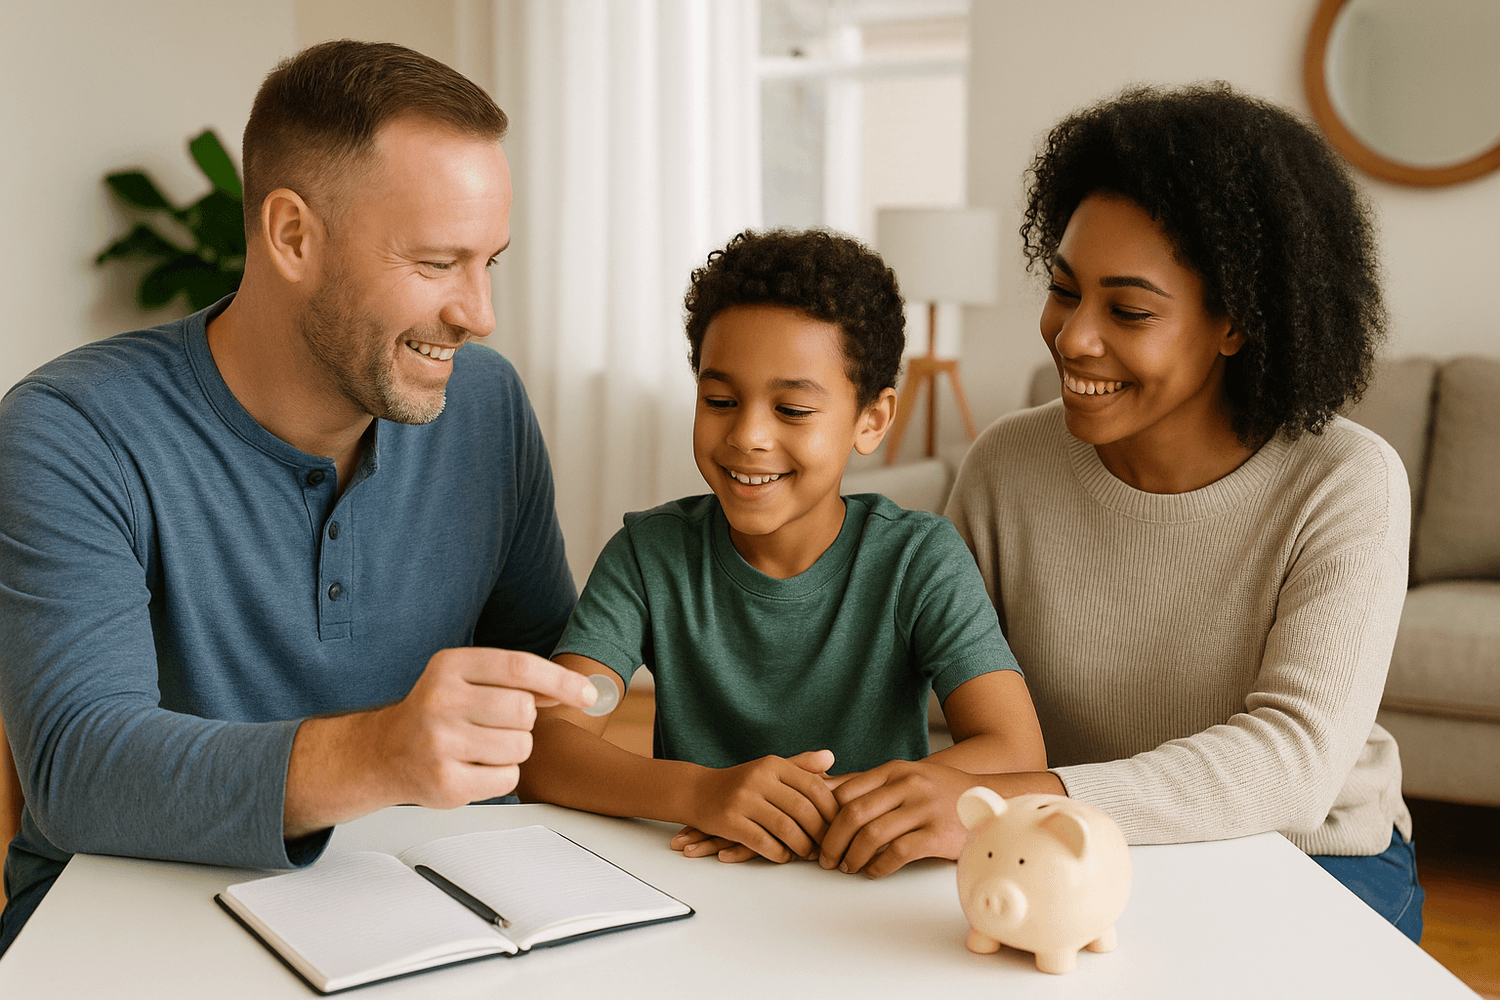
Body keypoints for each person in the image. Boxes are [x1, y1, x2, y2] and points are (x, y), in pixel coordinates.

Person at [0, 40, 598, 953]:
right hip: (123, 929)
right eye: (437, 264)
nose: (477, 313)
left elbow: (549, 687)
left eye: (491, 263)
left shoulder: (487, 405)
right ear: (291, 236)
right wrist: (380, 752)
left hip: (420, 920)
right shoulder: (70, 428)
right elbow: (79, 770)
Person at [820, 83, 1423, 940]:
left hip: (1307, 854)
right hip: (1051, 849)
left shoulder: (1345, 480)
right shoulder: (1007, 465)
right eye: (1065, 290)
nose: (1072, 337)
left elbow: (1292, 763)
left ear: (1235, 324)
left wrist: (1011, 799)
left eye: (1128, 310)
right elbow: (903, 685)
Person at [517, 229, 1046, 867]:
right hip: (699, 879)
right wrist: (704, 792)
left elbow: (1014, 751)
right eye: (719, 401)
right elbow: (548, 748)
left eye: (792, 409)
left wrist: (796, 808)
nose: (748, 435)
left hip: (869, 882)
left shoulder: (919, 559)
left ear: (872, 420)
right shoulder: (648, 556)